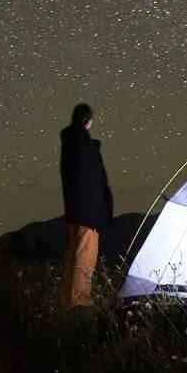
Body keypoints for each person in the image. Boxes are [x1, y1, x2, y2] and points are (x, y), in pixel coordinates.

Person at [58, 102, 113, 308]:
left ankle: (67, 299)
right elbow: (93, 182)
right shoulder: (84, 146)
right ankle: (78, 301)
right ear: (87, 121)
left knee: (73, 255)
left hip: (75, 211)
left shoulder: (71, 143)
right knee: (84, 257)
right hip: (87, 214)